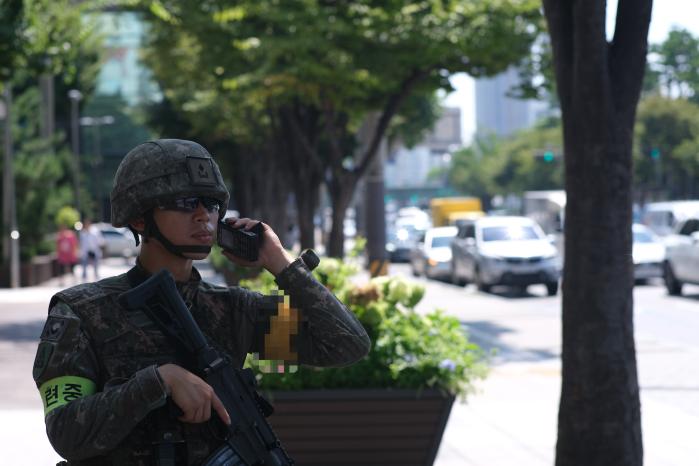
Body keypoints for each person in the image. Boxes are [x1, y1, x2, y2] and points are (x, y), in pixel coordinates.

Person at [32, 139, 371, 465]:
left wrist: (280, 263)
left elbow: (345, 345)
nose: (202, 216)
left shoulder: (235, 311)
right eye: (183, 203)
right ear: (138, 218)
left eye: (210, 204)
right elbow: (64, 432)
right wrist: (157, 382)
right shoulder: (82, 311)